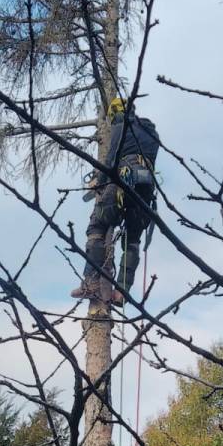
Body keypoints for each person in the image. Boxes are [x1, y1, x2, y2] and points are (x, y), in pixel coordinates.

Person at [71, 97, 160, 306]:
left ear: (115, 114)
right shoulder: (151, 133)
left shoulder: (120, 127)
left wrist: (99, 183)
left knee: (97, 225)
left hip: (123, 180)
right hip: (145, 190)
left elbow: (111, 161)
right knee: (133, 239)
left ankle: (92, 282)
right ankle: (122, 292)